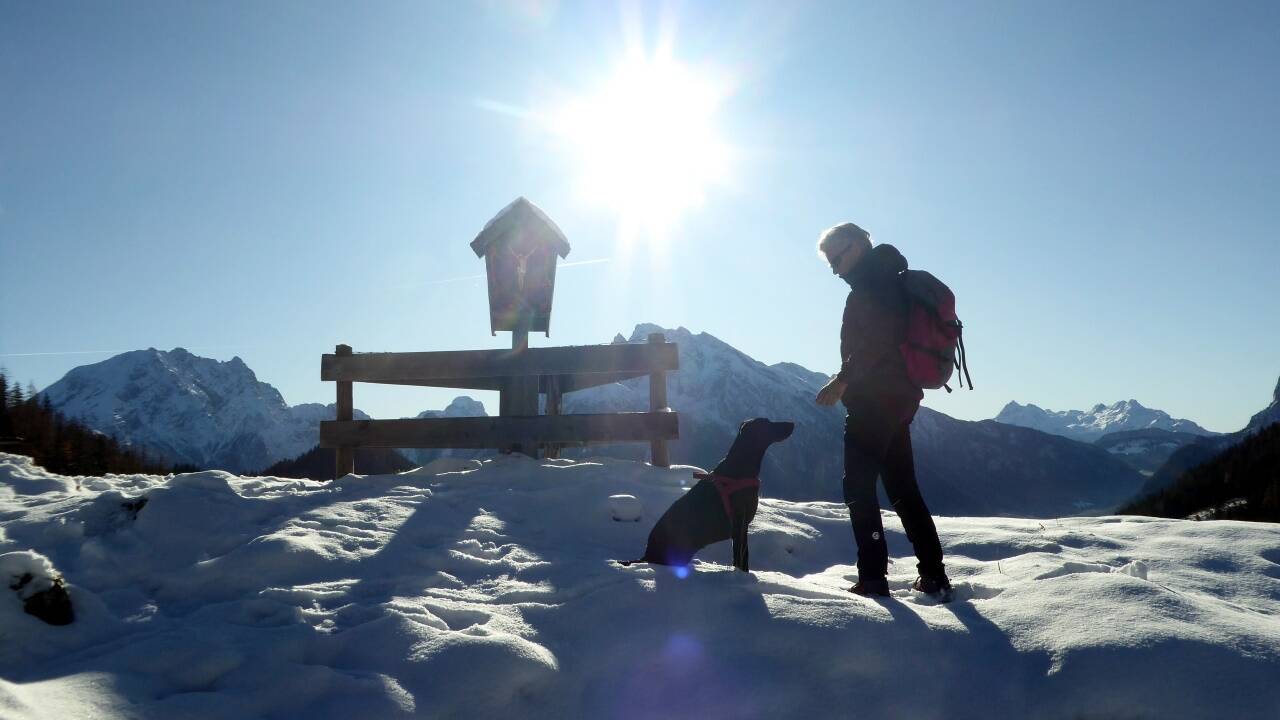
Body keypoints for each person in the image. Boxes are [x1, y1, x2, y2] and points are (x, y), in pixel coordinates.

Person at [814, 222, 951, 599]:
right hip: (900, 398)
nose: (836, 270)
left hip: (875, 400)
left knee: (858, 487)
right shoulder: (889, 278)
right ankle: (934, 576)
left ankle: (873, 578)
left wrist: (843, 380)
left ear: (857, 246)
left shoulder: (874, 285)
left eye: (837, 259)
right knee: (903, 488)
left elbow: (877, 341)